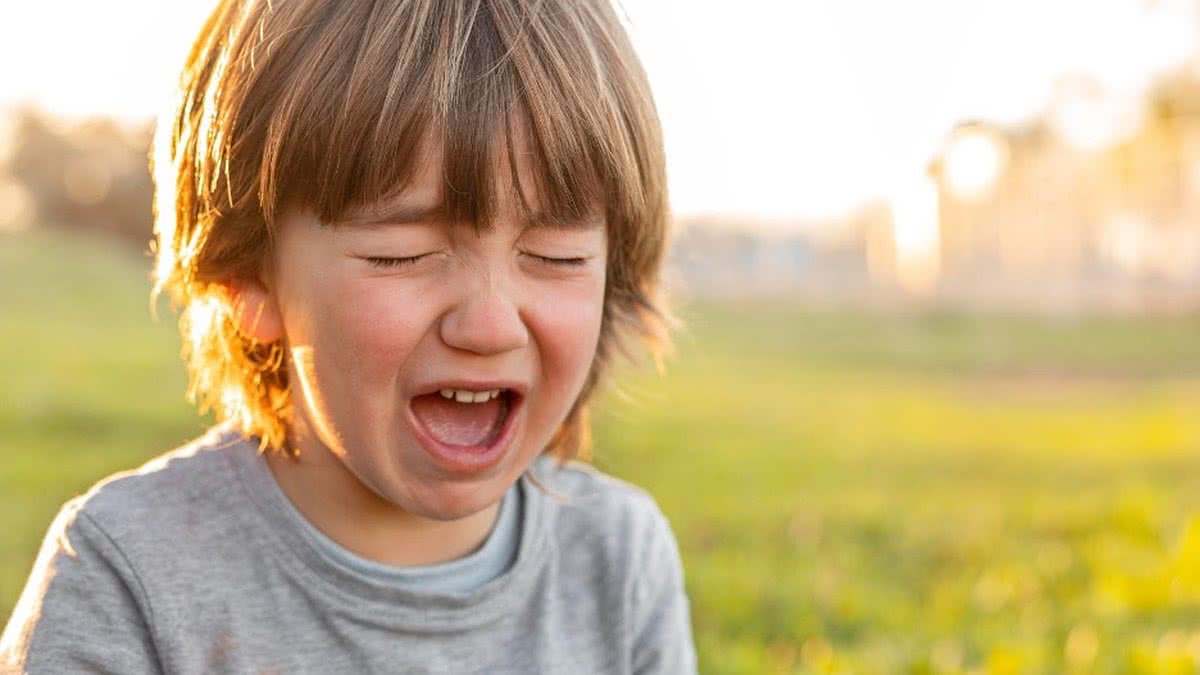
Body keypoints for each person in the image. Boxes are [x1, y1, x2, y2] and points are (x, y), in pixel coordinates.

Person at [0, 0, 697, 672]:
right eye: (401, 252)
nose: (488, 324)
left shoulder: (620, 562)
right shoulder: (128, 580)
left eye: (556, 257)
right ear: (250, 276)